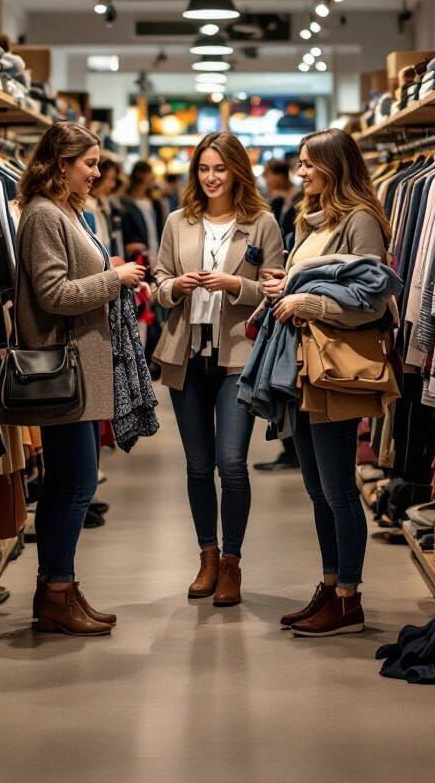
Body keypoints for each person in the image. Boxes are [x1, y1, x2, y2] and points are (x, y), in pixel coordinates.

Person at [15, 123, 145, 635]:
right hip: (64, 371)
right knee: (76, 485)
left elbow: (69, 277)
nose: (96, 172)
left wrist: (105, 268)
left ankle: (60, 588)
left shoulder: (67, 211)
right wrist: (115, 278)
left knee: (68, 484)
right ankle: (56, 593)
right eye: (89, 163)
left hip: (83, 369)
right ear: (61, 163)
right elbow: (53, 294)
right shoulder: (44, 215)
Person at [262, 128, 393, 637]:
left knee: (338, 488)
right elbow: (321, 278)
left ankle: (349, 598)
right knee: (317, 487)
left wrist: (307, 303)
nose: (301, 173)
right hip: (304, 365)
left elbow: (374, 299)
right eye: (299, 164)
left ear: (335, 166)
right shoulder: (312, 220)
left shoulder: (360, 220)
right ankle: (330, 583)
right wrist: (286, 285)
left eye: (309, 165)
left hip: (334, 368)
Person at [153, 132, 284, 606]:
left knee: (231, 463)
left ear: (237, 173)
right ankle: (206, 556)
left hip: (237, 357)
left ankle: (232, 561)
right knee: (196, 465)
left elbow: (276, 291)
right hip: (185, 354)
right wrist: (173, 288)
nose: (211, 177)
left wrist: (236, 285)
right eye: (204, 168)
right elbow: (157, 283)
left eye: (220, 169)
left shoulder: (263, 223)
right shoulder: (177, 221)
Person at [255, 156, 302, 472]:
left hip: (295, 292)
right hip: (284, 286)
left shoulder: (298, 200)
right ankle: (290, 448)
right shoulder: (283, 201)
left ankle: (292, 450)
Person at [120, 160, 164, 260]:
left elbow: (159, 228)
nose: (152, 176)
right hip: (137, 255)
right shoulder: (125, 202)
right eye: (149, 172)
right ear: (139, 174)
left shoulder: (154, 202)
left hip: (155, 252)